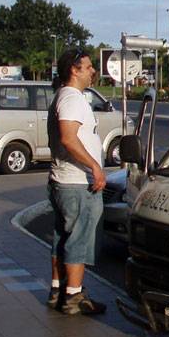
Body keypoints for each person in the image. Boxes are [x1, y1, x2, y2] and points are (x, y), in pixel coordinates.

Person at [47, 48, 107, 315]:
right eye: (88, 66)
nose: (93, 71)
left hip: (64, 180)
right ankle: (73, 297)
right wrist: (95, 166)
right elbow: (69, 138)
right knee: (78, 240)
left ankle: (58, 291)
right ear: (74, 69)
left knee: (63, 237)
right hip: (76, 183)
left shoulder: (65, 96)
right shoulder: (72, 99)